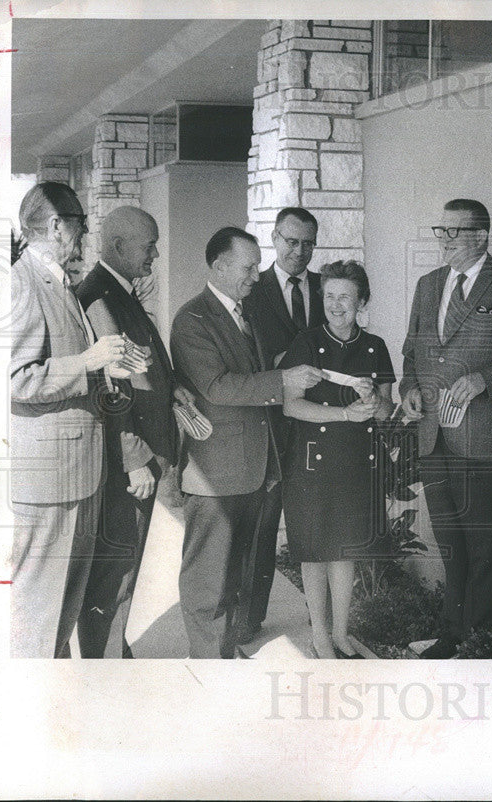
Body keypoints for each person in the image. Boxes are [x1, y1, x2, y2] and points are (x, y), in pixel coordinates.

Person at [400, 198, 492, 659]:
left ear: (481, 236)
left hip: (486, 439)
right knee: (451, 544)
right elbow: (411, 353)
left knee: (485, 548)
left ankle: (479, 645)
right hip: (433, 435)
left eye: (453, 233)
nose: (443, 241)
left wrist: (484, 379)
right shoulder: (428, 286)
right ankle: (452, 634)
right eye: (439, 231)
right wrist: (409, 388)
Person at [169, 227, 323, 658]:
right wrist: (283, 381)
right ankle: (210, 662)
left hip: (255, 464)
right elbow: (216, 387)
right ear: (218, 266)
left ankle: (227, 648)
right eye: (248, 266)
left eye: (257, 265)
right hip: (216, 470)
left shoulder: (245, 311)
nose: (257, 275)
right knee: (208, 576)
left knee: (237, 568)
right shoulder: (192, 319)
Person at [9, 182, 129, 657]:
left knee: (59, 615)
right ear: (57, 225)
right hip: (48, 482)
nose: (84, 232)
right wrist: (87, 362)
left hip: (73, 475)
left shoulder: (57, 280)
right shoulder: (22, 283)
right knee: (36, 617)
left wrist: (104, 369)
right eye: (79, 221)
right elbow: (16, 380)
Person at [75, 205, 195, 658]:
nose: (157, 254)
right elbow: (112, 384)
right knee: (118, 572)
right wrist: (133, 455)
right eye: (149, 245)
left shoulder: (117, 290)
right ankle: (106, 675)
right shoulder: (101, 296)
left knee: (123, 569)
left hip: (141, 453)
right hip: (132, 460)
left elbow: (139, 369)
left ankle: (111, 656)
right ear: (120, 246)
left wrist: (171, 388)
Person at [279, 260, 394, 659]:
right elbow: (292, 407)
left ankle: (342, 633)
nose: (335, 304)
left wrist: (372, 399)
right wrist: (344, 414)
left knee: (344, 550)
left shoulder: (375, 346)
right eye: (329, 296)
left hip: (356, 461)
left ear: (361, 300)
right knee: (314, 551)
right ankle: (320, 636)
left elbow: (385, 411)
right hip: (311, 462)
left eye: (345, 296)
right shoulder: (306, 343)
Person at [237, 207, 325, 644]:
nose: (300, 251)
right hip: (270, 425)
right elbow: (248, 360)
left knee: (316, 525)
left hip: (318, 425)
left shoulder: (328, 289)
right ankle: (248, 619)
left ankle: (322, 620)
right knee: (263, 526)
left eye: (308, 243)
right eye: (292, 241)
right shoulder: (254, 291)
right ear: (274, 238)